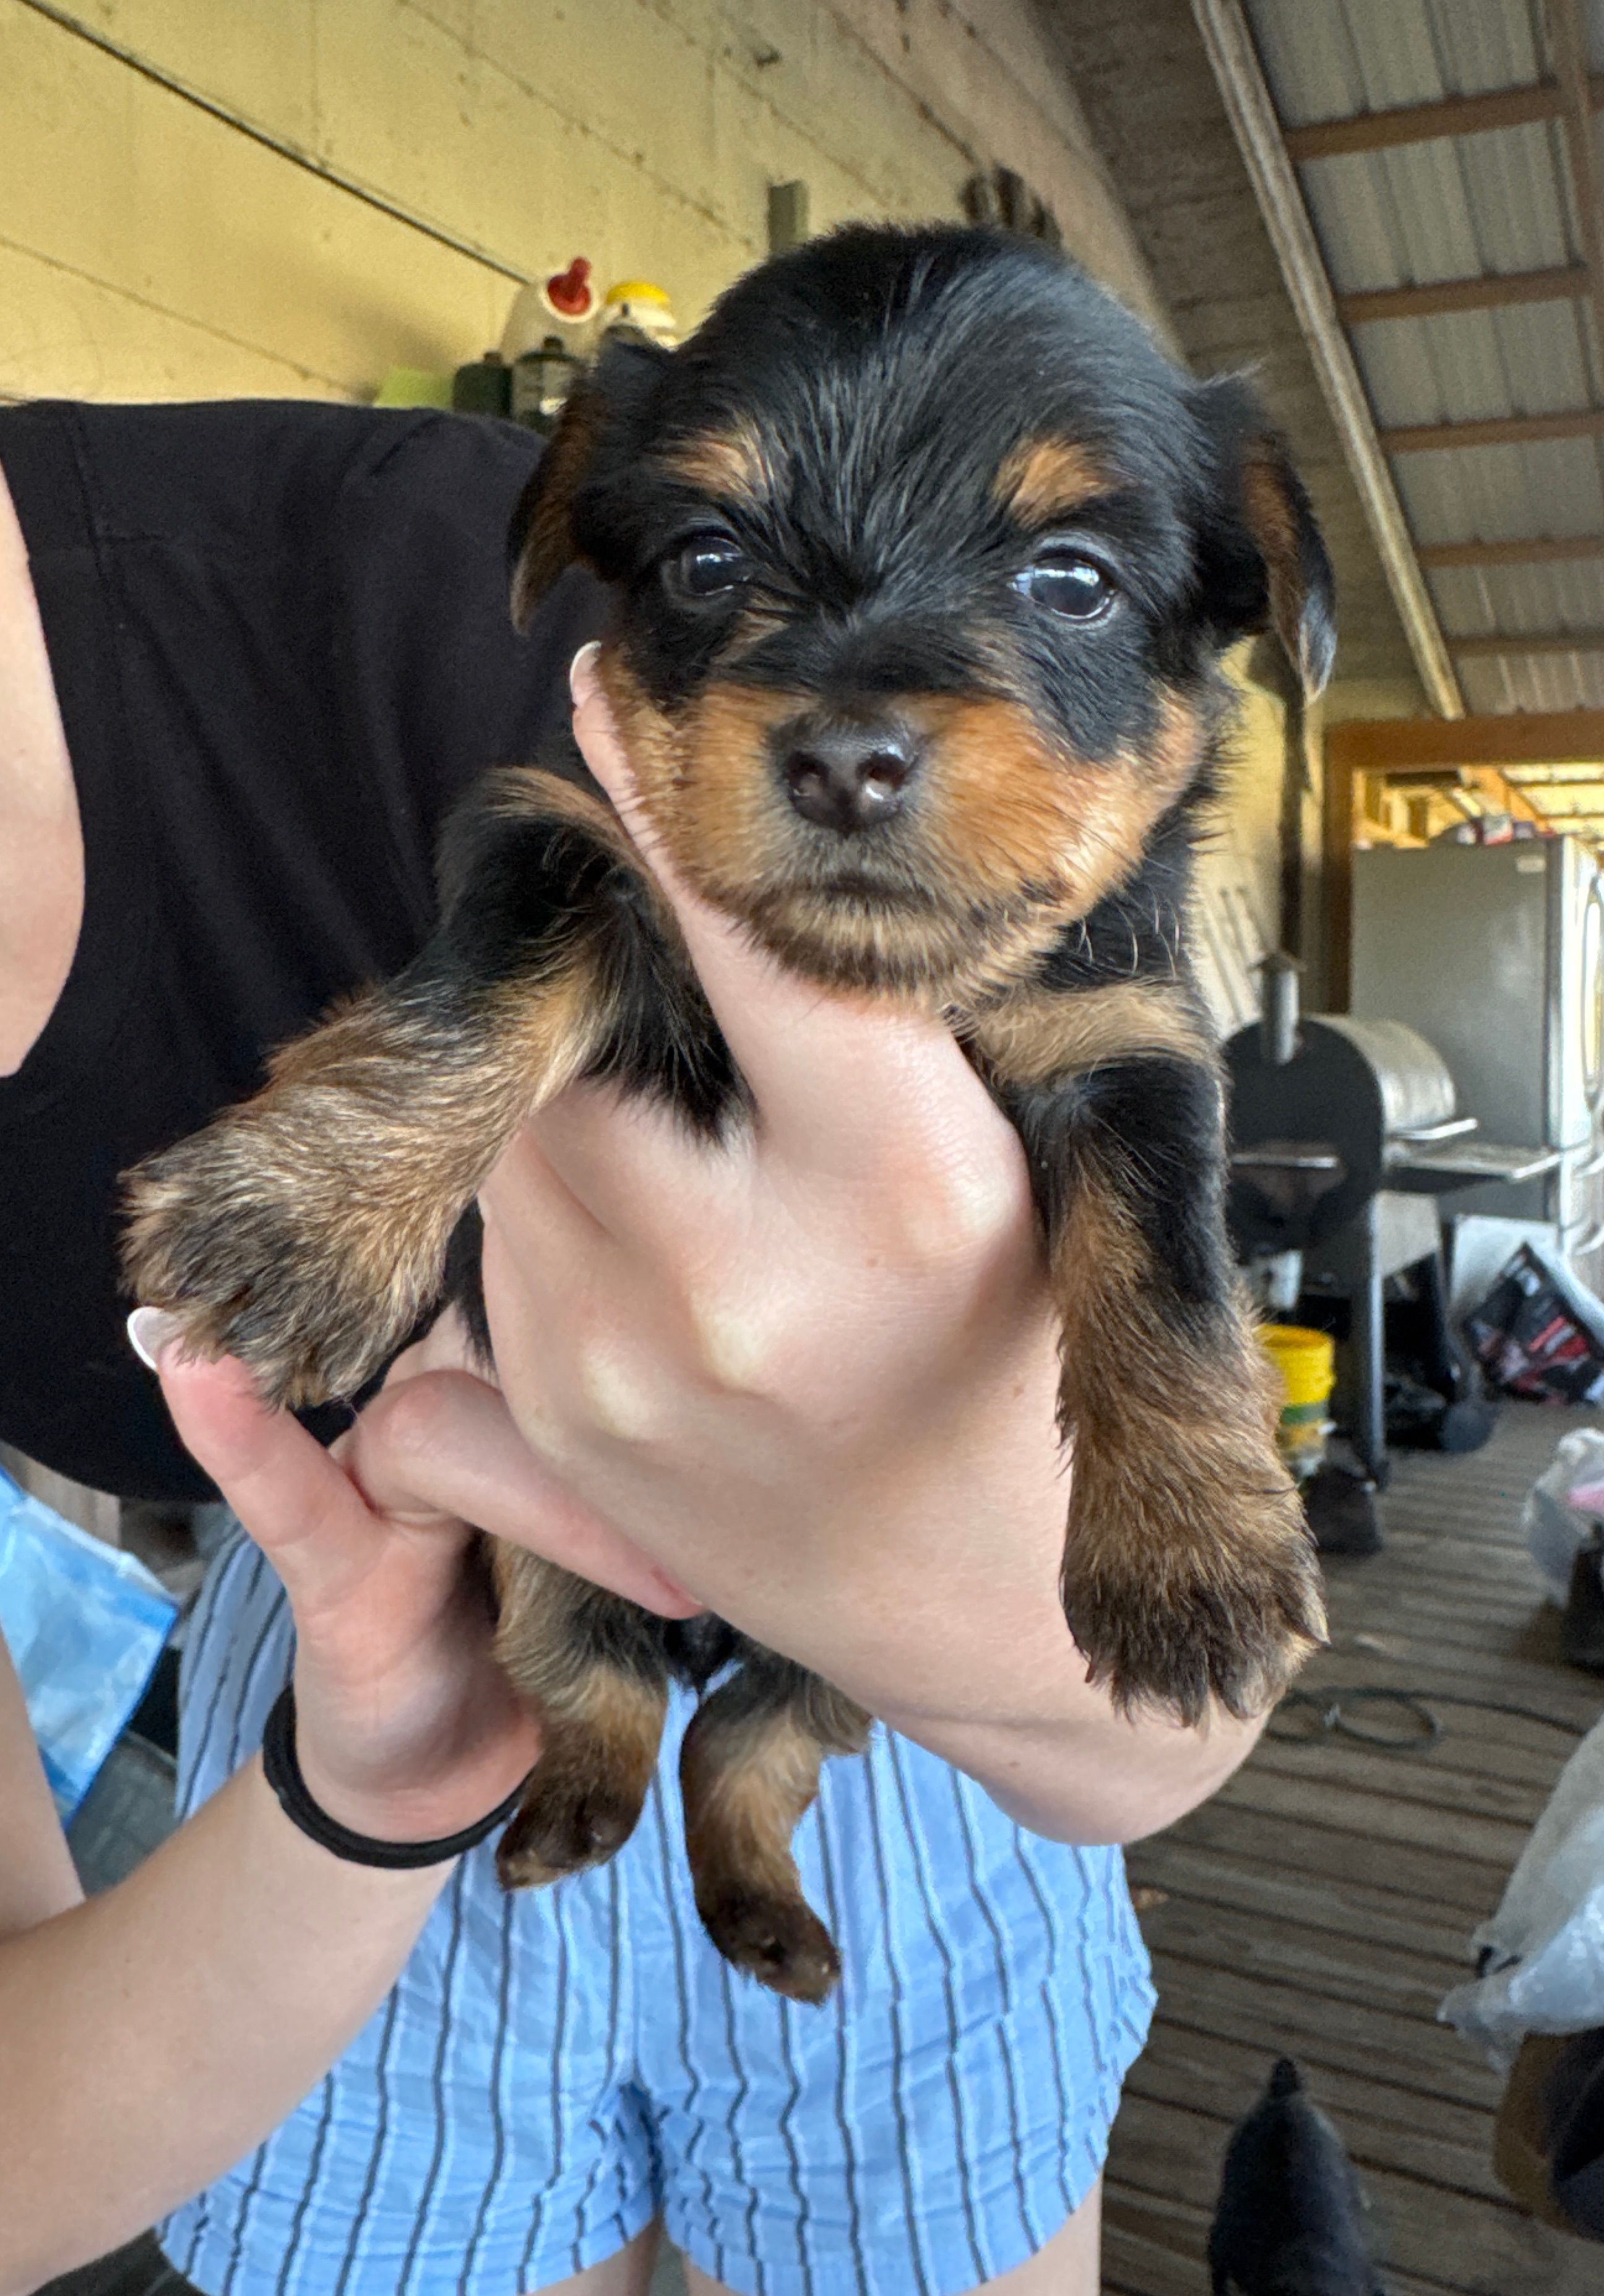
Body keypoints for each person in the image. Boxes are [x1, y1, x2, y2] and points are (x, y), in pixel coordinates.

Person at [0, 394, 1269, 2296]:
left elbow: (1161, 1715)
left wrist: (1024, 1595)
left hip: (915, 1736)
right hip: (346, 1680)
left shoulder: (522, 592)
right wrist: (358, 1796)